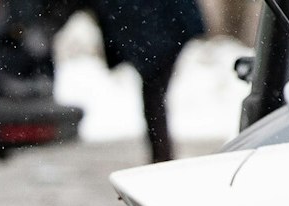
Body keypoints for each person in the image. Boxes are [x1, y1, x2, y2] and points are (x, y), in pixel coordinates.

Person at [52, 0, 205, 162]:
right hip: (164, 28)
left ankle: (161, 159)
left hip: (165, 30)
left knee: (154, 97)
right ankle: (161, 157)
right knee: (154, 97)